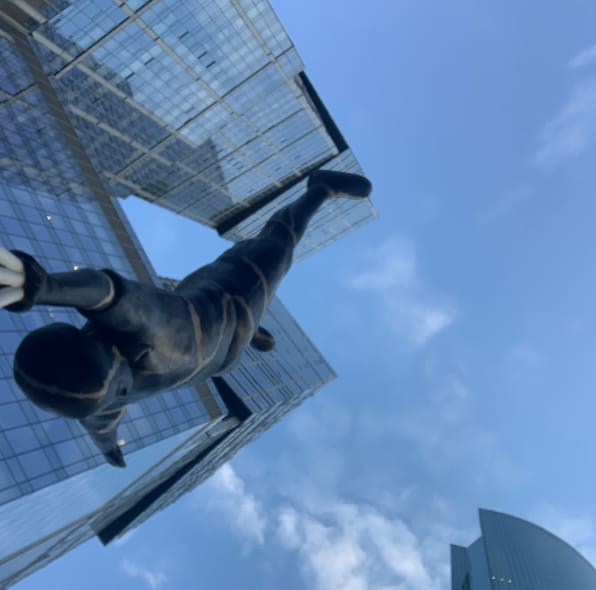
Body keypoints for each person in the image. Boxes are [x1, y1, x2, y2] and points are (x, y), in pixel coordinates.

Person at [0, 169, 372, 466]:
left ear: (93, 341)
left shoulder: (149, 328)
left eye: (118, 382)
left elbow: (108, 291)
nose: (122, 389)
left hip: (230, 292)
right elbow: (101, 424)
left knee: (278, 248)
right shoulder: (98, 397)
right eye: (118, 392)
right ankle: (252, 333)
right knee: (236, 342)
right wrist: (109, 450)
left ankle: (318, 190)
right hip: (224, 350)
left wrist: (44, 286)